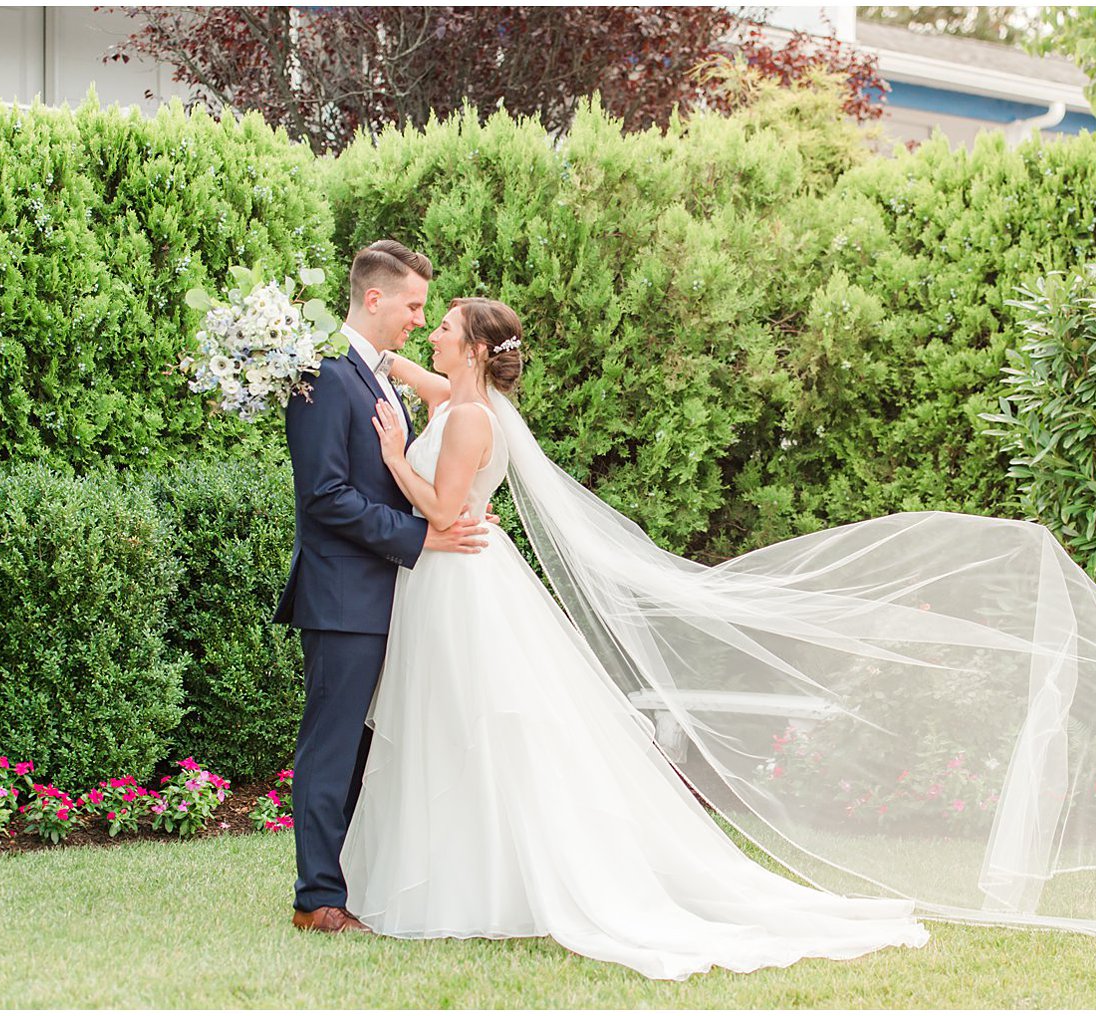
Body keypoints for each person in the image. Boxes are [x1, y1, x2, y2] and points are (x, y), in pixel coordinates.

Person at [337, 298, 932, 979]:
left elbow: (442, 510)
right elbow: (433, 385)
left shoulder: (471, 420)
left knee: (466, 725)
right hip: (451, 581)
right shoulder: (461, 404)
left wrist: (391, 453)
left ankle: (478, 881)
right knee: (457, 726)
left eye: (443, 326)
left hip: (459, 583)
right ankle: (467, 871)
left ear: (473, 350)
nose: (432, 333)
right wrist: (380, 355)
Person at [274, 241, 491, 935]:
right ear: (374, 299)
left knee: (367, 753)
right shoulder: (322, 376)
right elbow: (325, 498)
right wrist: (422, 537)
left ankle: (351, 880)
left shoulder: (373, 376)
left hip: (384, 596)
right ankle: (318, 899)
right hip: (341, 600)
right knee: (331, 748)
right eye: (413, 305)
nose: (417, 320)